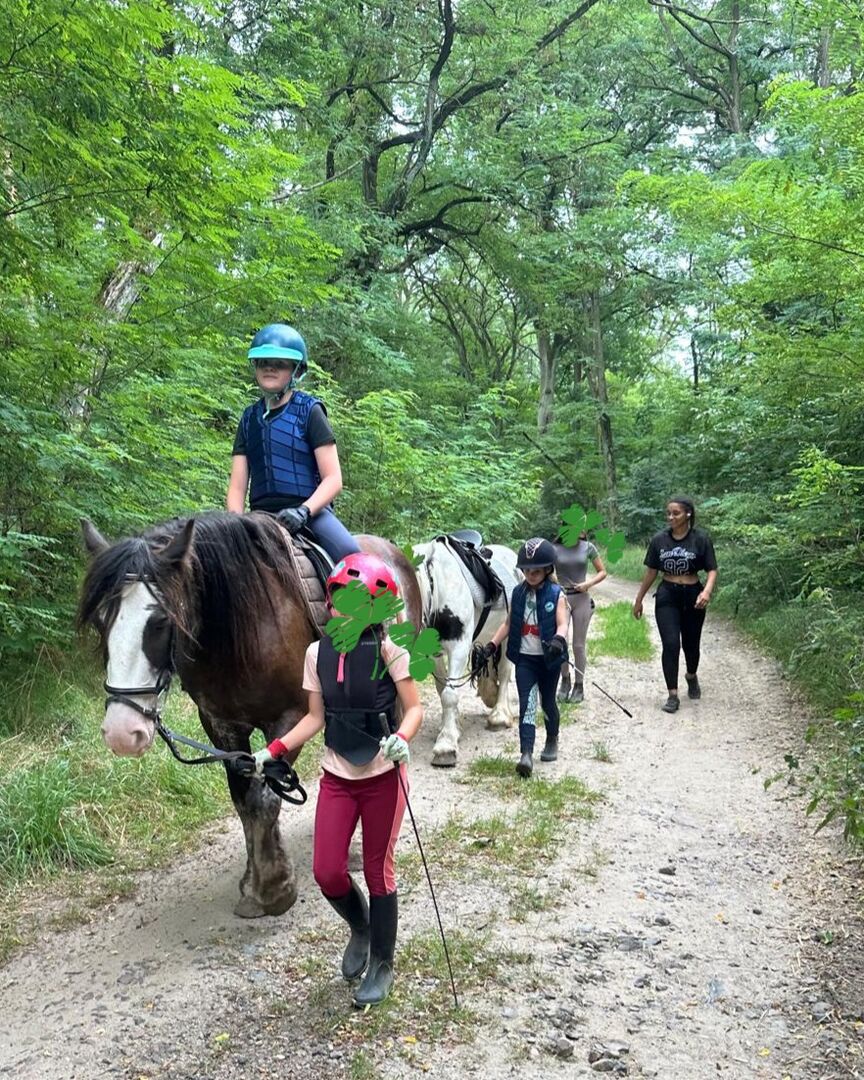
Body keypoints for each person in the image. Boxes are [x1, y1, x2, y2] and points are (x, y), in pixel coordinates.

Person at [253, 552, 422, 1007]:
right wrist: (274, 749)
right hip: (338, 775)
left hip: (384, 776)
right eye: (338, 600)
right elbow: (314, 717)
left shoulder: (390, 649)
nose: (341, 610)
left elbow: (414, 707)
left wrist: (403, 737)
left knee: (378, 871)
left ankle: (382, 964)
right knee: (327, 871)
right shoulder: (316, 654)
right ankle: (361, 927)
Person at [226, 323, 361, 561]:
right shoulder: (248, 419)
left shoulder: (310, 411)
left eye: (280, 363)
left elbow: (333, 479)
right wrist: (236, 525)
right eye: (263, 362)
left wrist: (303, 511)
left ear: (296, 370)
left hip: (311, 515)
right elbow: (237, 487)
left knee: (350, 556)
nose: (269, 367)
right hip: (260, 518)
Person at [482, 538, 569, 778]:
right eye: (527, 570)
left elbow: (563, 624)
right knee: (527, 704)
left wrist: (558, 640)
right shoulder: (518, 593)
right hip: (525, 660)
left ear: (547, 569)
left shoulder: (556, 594)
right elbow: (508, 624)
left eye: (536, 571)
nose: (531, 574)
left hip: (549, 659)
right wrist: (492, 645)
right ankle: (526, 754)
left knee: (547, 702)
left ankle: (552, 738)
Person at [632, 496, 718, 713]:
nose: (671, 517)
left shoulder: (700, 539)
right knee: (670, 644)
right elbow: (651, 571)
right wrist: (639, 599)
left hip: (693, 595)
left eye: (676, 513)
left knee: (691, 644)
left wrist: (707, 591)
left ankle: (691, 675)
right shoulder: (659, 540)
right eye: (668, 513)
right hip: (667, 595)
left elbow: (711, 569)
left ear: (688, 514)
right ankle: (672, 695)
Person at [554, 530, 607, 703]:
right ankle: (565, 680)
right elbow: (546, 571)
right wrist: (555, 584)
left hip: (582, 598)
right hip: (562, 598)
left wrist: (588, 583)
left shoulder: (588, 547)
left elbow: (602, 572)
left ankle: (579, 685)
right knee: (561, 642)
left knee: (578, 645)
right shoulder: (554, 548)